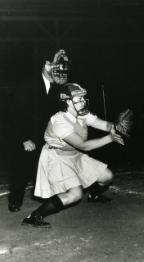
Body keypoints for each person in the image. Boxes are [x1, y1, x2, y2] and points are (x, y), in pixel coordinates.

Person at [22, 83, 125, 228]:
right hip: (56, 157)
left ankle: (93, 195)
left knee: (107, 177)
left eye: (83, 98)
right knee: (75, 195)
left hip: (74, 154)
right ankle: (33, 217)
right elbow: (84, 145)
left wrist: (117, 126)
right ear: (67, 101)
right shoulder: (59, 121)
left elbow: (105, 125)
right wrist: (110, 138)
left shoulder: (83, 114)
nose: (83, 101)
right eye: (79, 99)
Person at [8, 49, 70, 212]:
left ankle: (48, 197)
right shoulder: (28, 84)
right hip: (24, 134)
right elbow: (15, 113)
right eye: (55, 64)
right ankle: (15, 200)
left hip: (44, 135)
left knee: (46, 166)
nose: (59, 68)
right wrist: (24, 138)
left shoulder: (58, 87)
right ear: (45, 65)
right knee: (21, 168)